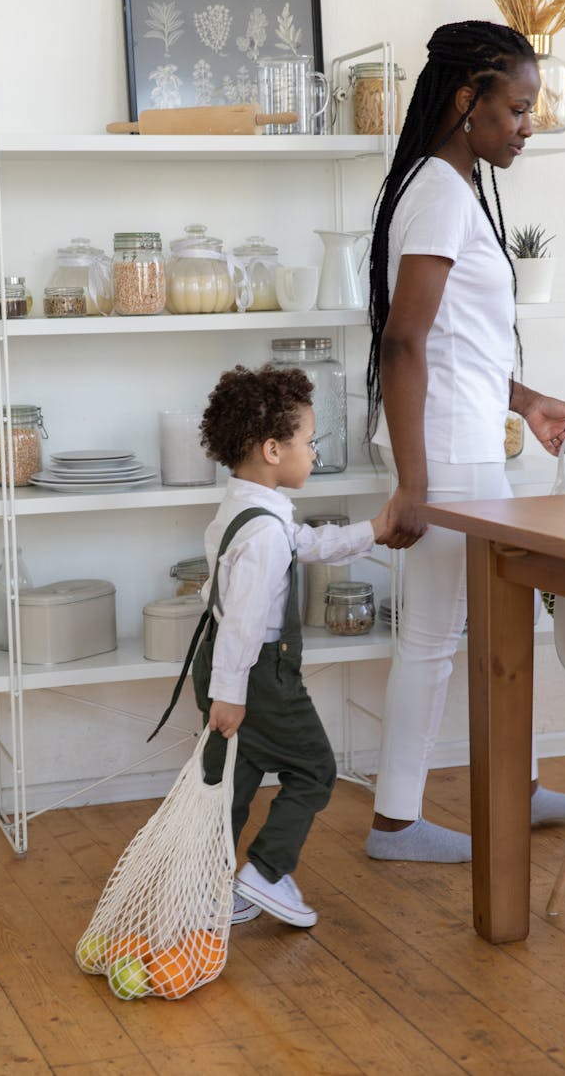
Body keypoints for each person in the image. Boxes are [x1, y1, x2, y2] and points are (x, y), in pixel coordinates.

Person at [365, 21, 565, 864]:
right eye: (518, 109)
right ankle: (393, 823)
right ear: (468, 103)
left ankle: (518, 788)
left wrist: (526, 400)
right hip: (445, 454)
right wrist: (414, 484)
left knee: (499, 622)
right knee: (436, 633)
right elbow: (403, 342)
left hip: (464, 441)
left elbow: (461, 344)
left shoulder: (451, 190)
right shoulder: (437, 193)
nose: (528, 125)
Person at [192, 364, 390, 925]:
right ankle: (265, 874)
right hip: (256, 673)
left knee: (235, 781)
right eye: (309, 441)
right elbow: (244, 623)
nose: (315, 454)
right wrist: (230, 693)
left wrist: (373, 530)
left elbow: (300, 543)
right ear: (273, 449)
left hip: (226, 667)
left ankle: (206, 891)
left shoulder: (246, 510)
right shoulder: (263, 534)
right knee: (314, 770)